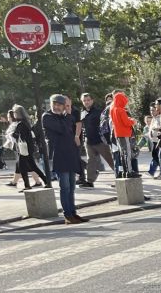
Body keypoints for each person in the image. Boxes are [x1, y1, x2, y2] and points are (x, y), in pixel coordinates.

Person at [42, 94, 88, 224]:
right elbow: (62, 129)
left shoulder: (66, 117)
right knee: (65, 186)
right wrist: (68, 115)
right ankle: (67, 214)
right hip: (59, 155)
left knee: (72, 186)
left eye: (59, 105)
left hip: (70, 154)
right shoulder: (47, 117)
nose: (56, 107)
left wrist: (67, 116)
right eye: (54, 104)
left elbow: (73, 132)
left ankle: (73, 212)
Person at [8, 104, 49, 190]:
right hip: (28, 148)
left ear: (18, 113)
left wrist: (11, 134)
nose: (14, 114)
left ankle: (28, 185)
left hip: (24, 149)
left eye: (15, 112)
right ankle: (45, 181)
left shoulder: (20, 124)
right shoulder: (26, 122)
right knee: (32, 166)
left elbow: (16, 135)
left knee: (23, 167)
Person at [79, 93, 113, 187]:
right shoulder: (83, 113)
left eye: (88, 100)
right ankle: (90, 181)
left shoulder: (99, 112)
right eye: (84, 101)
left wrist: (107, 138)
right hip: (88, 141)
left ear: (92, 100)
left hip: (100, 141)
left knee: (110, 159)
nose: (86, 102)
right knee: (91, 161)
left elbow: (105, 125)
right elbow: (82, 127)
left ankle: (121, 175)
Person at [109, 91, 138, 177]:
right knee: (128, 153)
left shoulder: (113, 109)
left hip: (118, 134)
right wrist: (133, 121)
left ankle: (125, 171)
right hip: (124, 133)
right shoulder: (121, 110)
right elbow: (126, 122)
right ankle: (129, 171)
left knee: (122, 153)